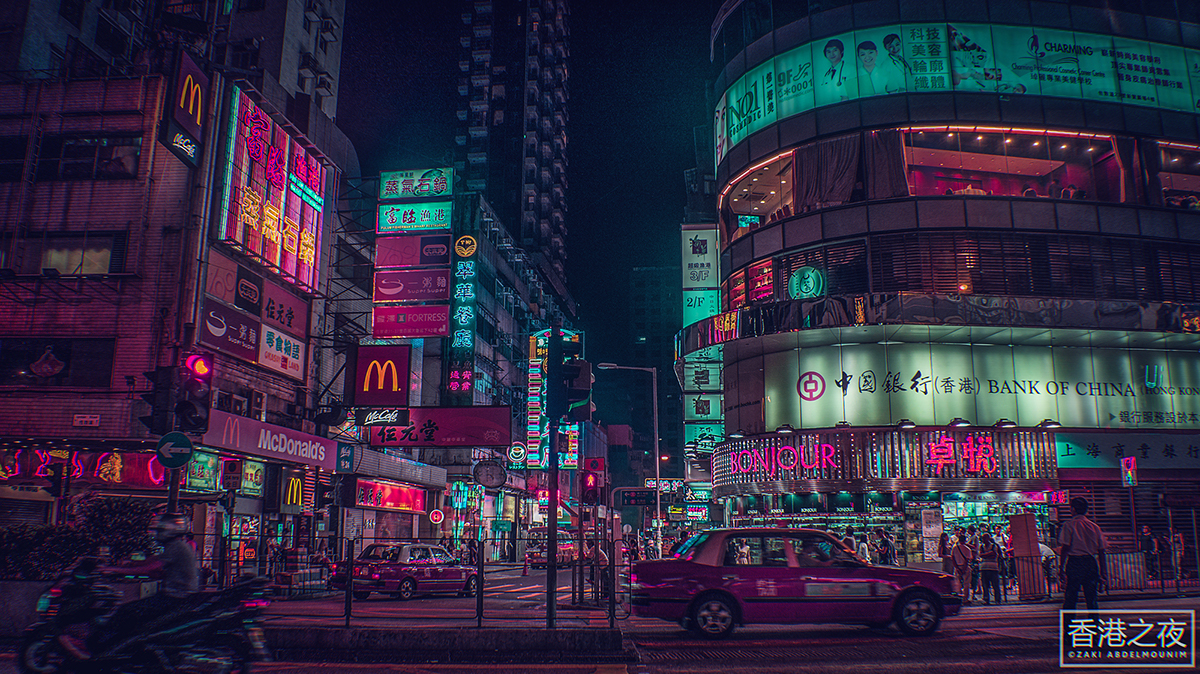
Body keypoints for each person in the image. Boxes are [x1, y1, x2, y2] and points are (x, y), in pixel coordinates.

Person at [1058, 496, 1108, 615]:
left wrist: (1061, 567)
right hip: (1090, 562)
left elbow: (1065, 547)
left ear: (1073, 509)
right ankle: (1094, 626)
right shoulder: (1094, 527)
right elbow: (1101, 551)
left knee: (1071, 597)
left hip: (1075, 563)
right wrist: (1103, 573)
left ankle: (1068, 627)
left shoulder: (1069, 525)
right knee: (1091, 599)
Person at [817, 39, 852, 104]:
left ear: (841, 51)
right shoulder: (826, 75)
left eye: (835, 50)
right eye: (828, 52)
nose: (831, 54)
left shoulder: (850, 69)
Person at [950, 533, 975, 604]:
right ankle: (965, 599)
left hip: (957, 567)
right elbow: (967, 560)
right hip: (965, 567)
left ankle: (958, 598)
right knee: (966, 584)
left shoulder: (954, 548)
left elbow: (952, 558)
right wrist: (963, 569)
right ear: (965, 540)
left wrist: (957, 568)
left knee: (958, 583)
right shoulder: (967, 549)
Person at [978, 533, 1003, 604]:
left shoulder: (994, 546)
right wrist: (989, 553)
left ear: (988, 538)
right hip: (984, 568)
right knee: (985, 585)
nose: (983, 540)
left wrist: (985, 555)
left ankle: (997, 599)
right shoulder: (981, 546)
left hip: (993, 568)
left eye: (984, 538)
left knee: (995, 585)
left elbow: (994, 555)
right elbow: (981, 555)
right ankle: (986, 599)